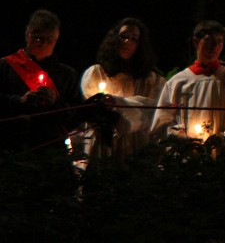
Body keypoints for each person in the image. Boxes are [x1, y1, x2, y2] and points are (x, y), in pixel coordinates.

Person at [150, 20, 225, 153]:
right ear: (195, 41)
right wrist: (178, 136)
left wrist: (223, 139)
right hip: (185, 154)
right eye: (209, 41)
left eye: (219, 42)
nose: (214, 47)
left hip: (221, 156)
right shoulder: (178, 82)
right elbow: (163, 122)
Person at [79, 17, 167, 159]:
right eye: (124, 36)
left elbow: (153, 110)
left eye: (134, 39)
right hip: (103, 144)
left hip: (136, 145)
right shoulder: (96, 74)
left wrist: (119, 104)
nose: (128, 42)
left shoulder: (151, 81)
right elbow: (92, 109)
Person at [0, 9, 84, 152]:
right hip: (12, 148)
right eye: (38, 38)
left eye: (49, 40)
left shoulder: (67, 74)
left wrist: (55, 103)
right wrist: (19, 101)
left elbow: (76, 115)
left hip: (52, 150)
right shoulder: (5, 66)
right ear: (27, 35)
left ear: (56, 40)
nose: (43, 44)